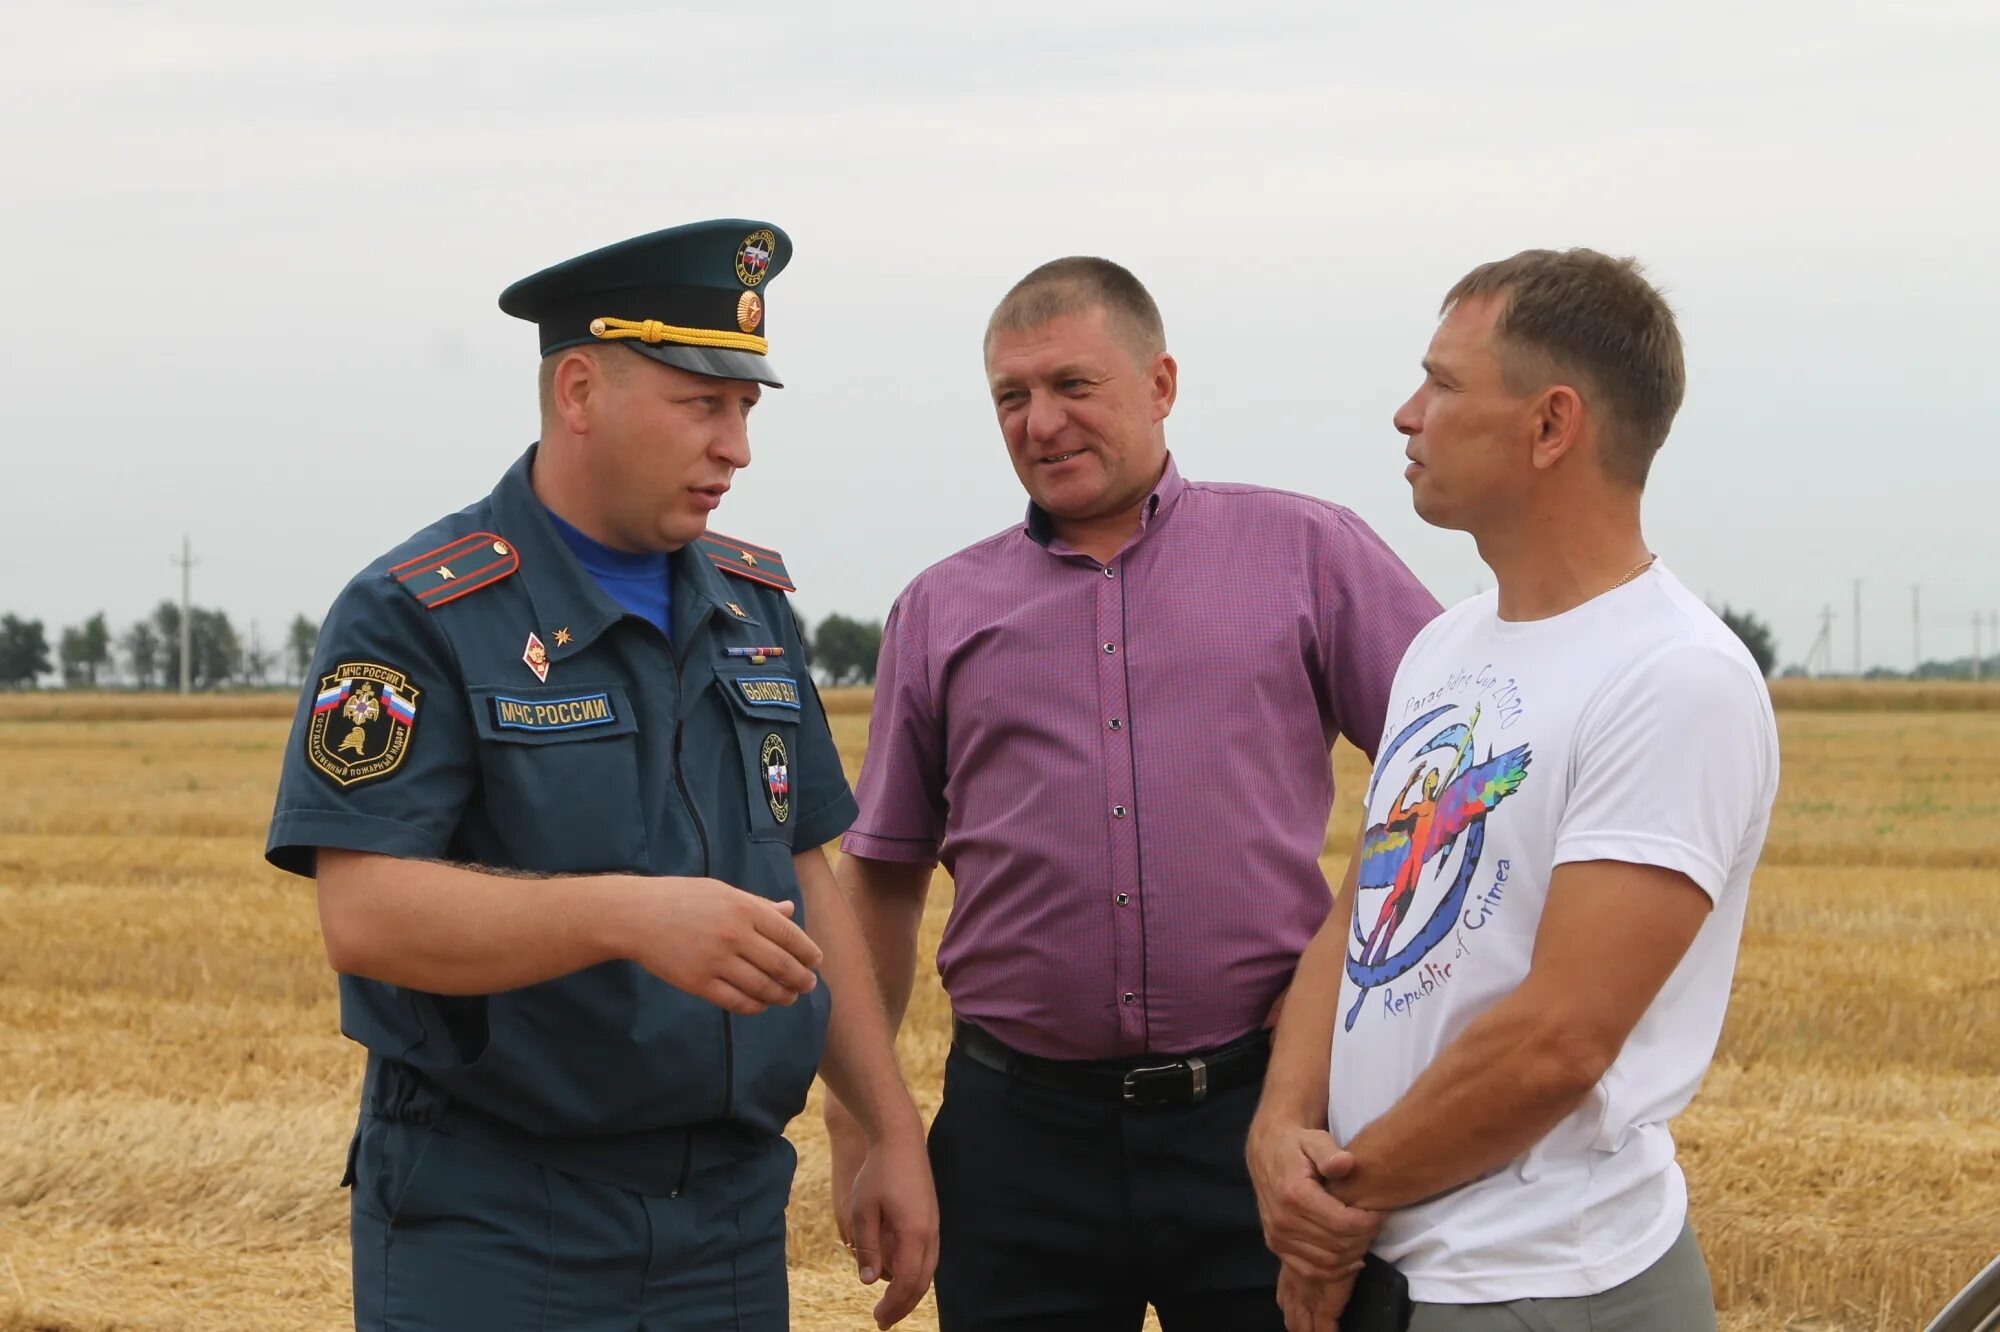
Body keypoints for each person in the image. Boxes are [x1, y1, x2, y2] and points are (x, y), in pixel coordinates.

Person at [265, 219, 937, 1331]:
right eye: (702, 404)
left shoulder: (751, 611)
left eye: (747, 409)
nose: (736, 448)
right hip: (498, 1217)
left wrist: (889, 1126)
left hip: (725, 1220)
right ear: (579, 390)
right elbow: (368, 914)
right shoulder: (415, 615)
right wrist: (629, 917)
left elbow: (805, 880)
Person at [824, 255, 1441, 1330]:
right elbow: (879, 881)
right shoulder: (938, 609)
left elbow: (1453, 782)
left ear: (1159, 385)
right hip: (1015, 1140)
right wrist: (865, 1135)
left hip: (1260, 1122)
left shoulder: (1306, 553)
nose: (1040, 422)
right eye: (1009, 397)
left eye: (1072, 385)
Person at [1247, 248, 1780, 1332]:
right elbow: (1360, 914)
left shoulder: (1673, 678)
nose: (1407, 415)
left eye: (1442, 384)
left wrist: (1331, 1212)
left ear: (1548, 426)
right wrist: (1275, 1126)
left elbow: (1557, 1041)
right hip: (1400, 1261)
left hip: (1539, 1288)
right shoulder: (1445, 647)